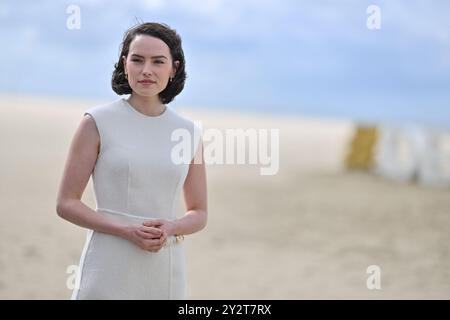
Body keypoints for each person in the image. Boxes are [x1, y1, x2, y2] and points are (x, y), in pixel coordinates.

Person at [56, 22, 207, 299]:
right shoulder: (97, 122)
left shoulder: (189, 132)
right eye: (137, 60)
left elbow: (199, 212)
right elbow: (66, 203)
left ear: (173, 68)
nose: (146, 70)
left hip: (164, 265)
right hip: (108, 262)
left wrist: (172, 227)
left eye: (157, 61)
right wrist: (125, 230)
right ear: (125, 64)